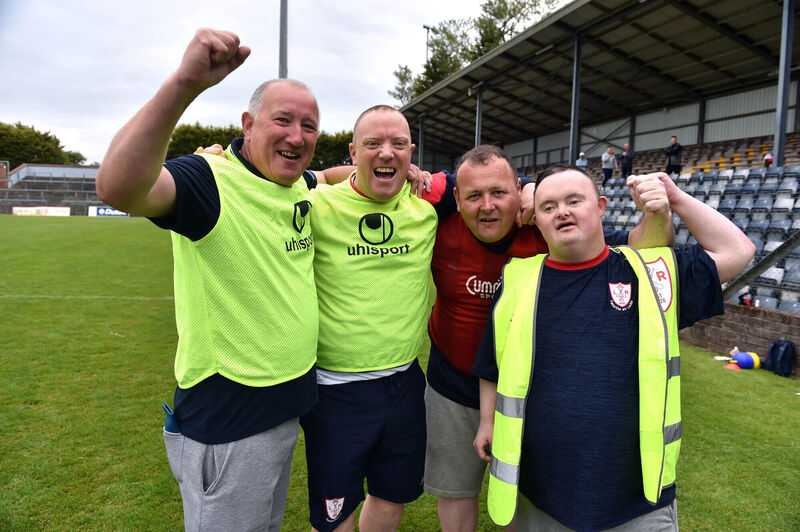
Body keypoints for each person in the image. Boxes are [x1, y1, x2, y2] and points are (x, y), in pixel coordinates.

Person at [95, 29, 337, 531]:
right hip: (229, 421)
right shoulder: (209, 180)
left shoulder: (297, 186)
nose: (297, 136)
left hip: (285, 408)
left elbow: (329, 176)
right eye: (283, 120)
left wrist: (394, 169)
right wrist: (186, 84)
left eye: (309, 126)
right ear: (247, 124)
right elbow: (118, 186)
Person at [472, 166, 755, 531]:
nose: (563, 212)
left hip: (636, 500)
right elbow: (492, 364)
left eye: (575, 201)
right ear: (536, 221)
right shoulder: (518, 280)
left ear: (601, 206)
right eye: (549, 206)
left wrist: (676, 197)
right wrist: (487, 420)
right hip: (539, 492)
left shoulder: (650, 273)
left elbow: (738, 250)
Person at [424, 148, 674, 532]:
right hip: (451, 383)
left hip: (528, 393)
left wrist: (661, 208)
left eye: (499, 193)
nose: (487, 206)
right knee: (457, 491)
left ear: (519, 191)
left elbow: (643, 244)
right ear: (457, 199)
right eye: (473, 196)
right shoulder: (437, 223)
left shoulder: (546, 228)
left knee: (529, 491)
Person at [300, 104, 449, 532]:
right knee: (334, 516)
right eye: (373, 144)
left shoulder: (427, 206)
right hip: (335, 390)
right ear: (352, 151)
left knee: (391, 495)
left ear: (412, 153)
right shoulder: (317, 204)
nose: (387, 153)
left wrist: (530, 187)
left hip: (405, 384)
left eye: (398, 144)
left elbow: (487, 182)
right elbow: (261, 186)